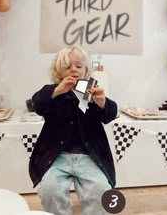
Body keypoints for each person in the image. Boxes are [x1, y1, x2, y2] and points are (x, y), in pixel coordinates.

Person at [28, 46, 118, 215]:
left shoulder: (91, 90)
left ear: (86, 70)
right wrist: (57, 90)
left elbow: (111, 115)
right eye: (68, 66)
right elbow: (37, 104)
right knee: (49, 190)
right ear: (59, 72)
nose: (74, 70)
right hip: (57, 156)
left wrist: (103, 103)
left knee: (101, 191)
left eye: (78, 66)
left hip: (89, 156)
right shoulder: (54, 92)